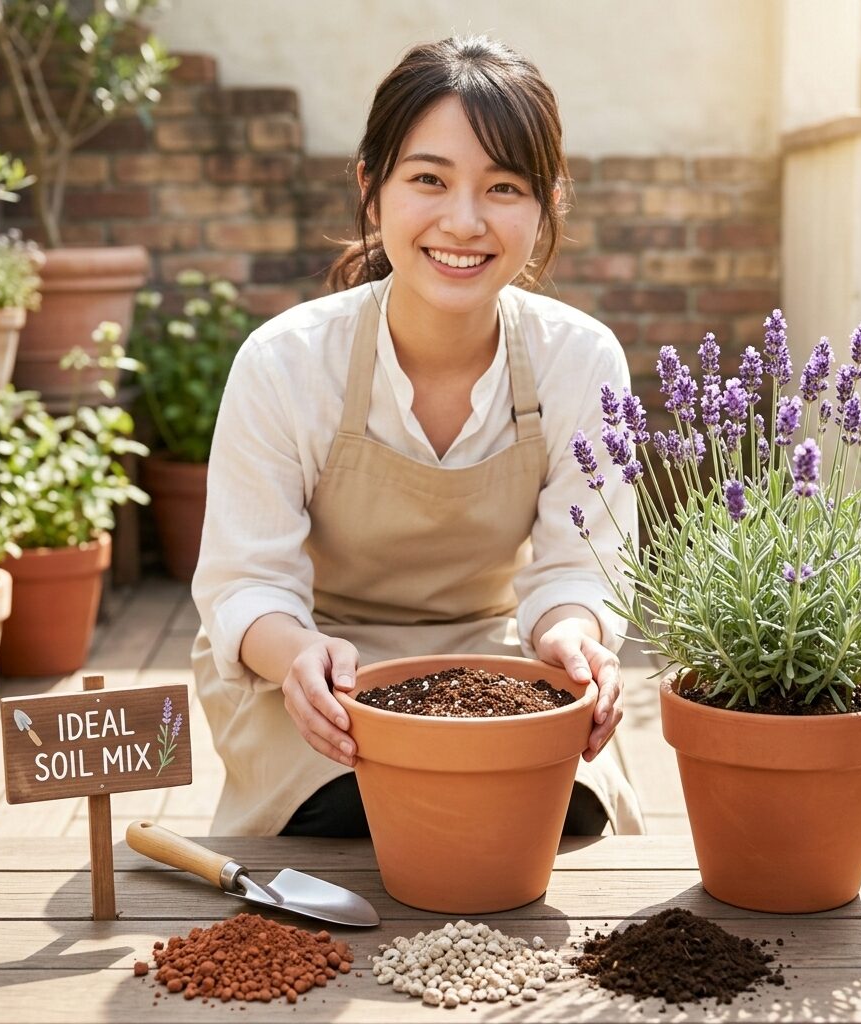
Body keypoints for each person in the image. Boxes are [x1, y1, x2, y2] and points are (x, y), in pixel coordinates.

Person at [191, 34, 642, 837]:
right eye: (428, 179)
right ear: (372, 186)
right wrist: (294, 653)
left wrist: (573, 639)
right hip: (313, 662)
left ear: (548, 204)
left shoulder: (581, 360)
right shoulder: (287, 363)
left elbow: (586, 566)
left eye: (503, 186)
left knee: (558, 815)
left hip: (502, 654)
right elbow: (244, 583)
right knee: (355, 812)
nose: (463, 222)